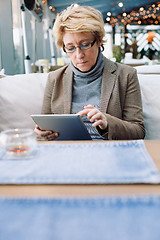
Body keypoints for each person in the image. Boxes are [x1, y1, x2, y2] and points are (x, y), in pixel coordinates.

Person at [34, 4, 145, 140]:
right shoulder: (54, 79)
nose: (79, 55)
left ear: (98, 41)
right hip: (68, 152)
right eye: (70, 48)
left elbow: (138, 131)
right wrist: (43, 135)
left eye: (85, 44)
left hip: (110, 152)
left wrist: (107, 122)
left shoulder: (126, 75)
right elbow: (44, 130)